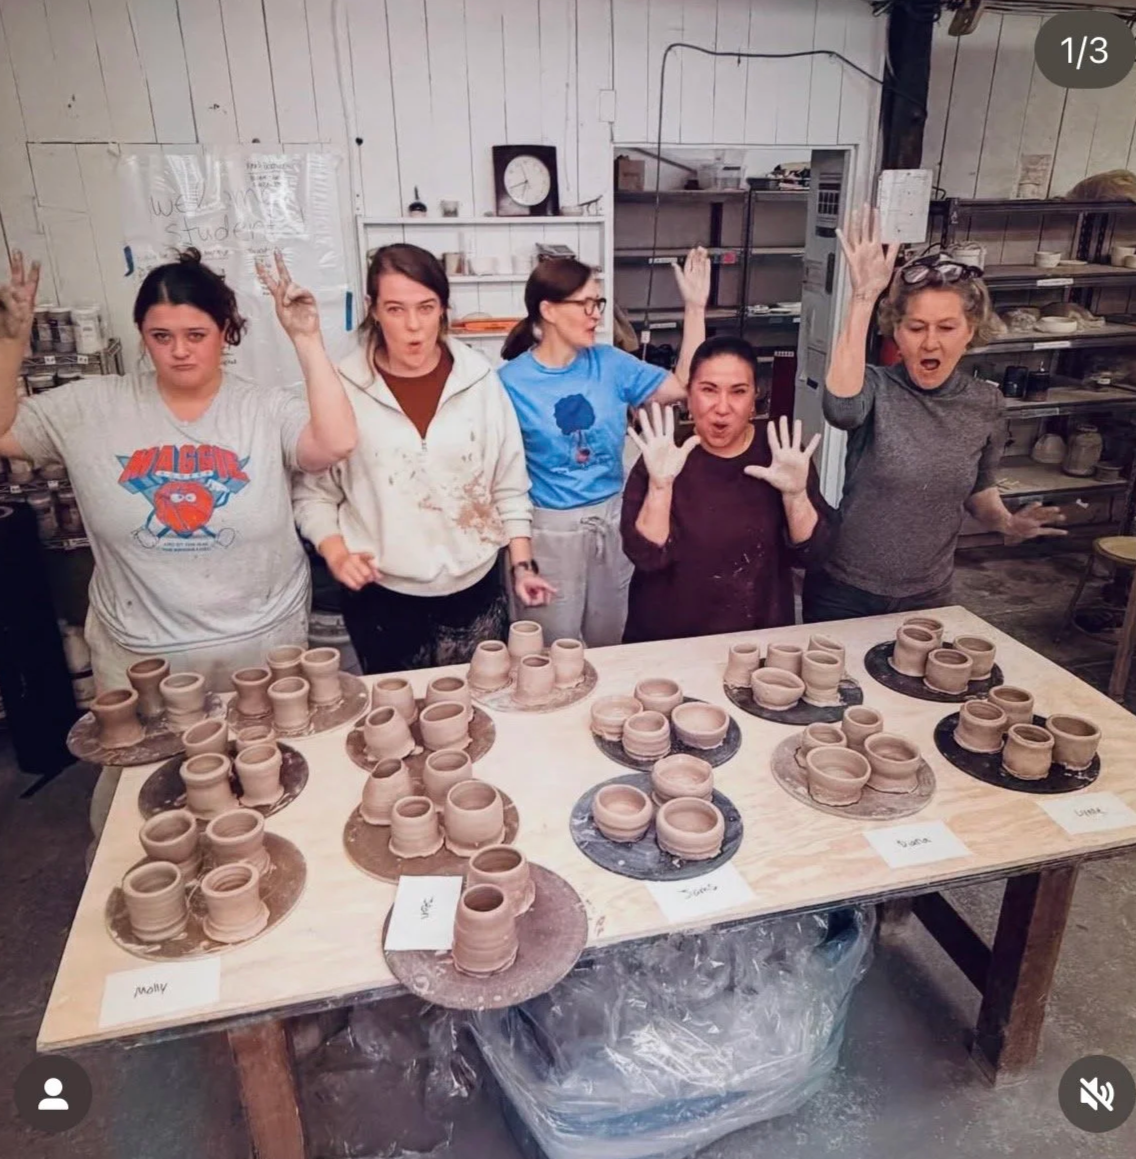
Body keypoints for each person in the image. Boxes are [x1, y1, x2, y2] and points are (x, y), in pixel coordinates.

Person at [0, 247, 355, 837]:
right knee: (145, 822)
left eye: (197, 333)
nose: (181, 350)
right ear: (141, 336)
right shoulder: (90, 407)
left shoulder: (262, 408)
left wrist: (307, 337)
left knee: (269, 797)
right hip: (141, 655)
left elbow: (336, 441)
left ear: (226, 333)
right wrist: (12, 340)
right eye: (161, 335)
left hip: (258, 644)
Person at [292, 244, 555, 674]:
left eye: (426, 307)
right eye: (395, 309)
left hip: (476, 589)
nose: (413, 326)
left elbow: (508, 483)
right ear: (373, 309)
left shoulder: (479, 380)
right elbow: (313, 492)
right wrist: (337, 553)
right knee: (399, 724)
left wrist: (522, 566)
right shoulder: (341, 385)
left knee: (481, 712)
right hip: (381, 594)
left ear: (443, 310)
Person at [802, 206, 1065, 624]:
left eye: (946, 328)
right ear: (897, 332)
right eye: (915, 327)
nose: (929, 343)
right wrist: (864, 297)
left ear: (970, 332)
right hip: (843, 589)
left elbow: (979, 490)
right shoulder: (875, 387)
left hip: (928, 595)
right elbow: (841, 408)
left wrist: (1007, 523)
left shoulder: (986, 404)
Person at [498, 249, 710, 646]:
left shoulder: (611, 363)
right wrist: (520, 561)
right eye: (586, 303)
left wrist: (695, 308)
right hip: (549, 532)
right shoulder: (510, 383)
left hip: (613, 525)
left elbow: (683, 386)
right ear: (549, 309)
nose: (596, 313)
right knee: (549, 649)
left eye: (598, 302)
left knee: (609, 641)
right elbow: (502, 481)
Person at [621, 336, 836, 643]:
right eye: (708, 390)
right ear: (689, 396)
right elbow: (646, 558)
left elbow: (814, 556)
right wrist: (660, 485)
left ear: (754, 399)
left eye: (738, 392)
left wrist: (795, 496)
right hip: (667, 642)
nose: (722, 408)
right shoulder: (663, 454)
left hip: (755, 641)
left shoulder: (780, 452)